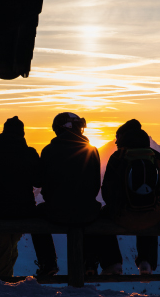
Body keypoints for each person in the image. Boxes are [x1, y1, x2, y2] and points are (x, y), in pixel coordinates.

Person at [32, 112, 103, 276]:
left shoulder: (49, 151)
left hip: (55, 212)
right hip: (87, 211)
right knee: (96, 213)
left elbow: (40, 181)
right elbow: (95, 185)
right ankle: (90, 262)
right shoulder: (92, 150)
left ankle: (48, 263)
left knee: (36, 214)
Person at [100, 119, 160, 275]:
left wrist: (118, 205)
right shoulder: (158, 158)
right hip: (152, 216)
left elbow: (107, 193)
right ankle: (147, 262)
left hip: (123, 215)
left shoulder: (118, 157)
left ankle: (113, 263)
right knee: (150, 214)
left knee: (100, 217)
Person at [0, 116, 40, 279]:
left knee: (4, 248)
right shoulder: (30, 153)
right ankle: (2, 281)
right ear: (22, 133)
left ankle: (0, 281)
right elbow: (38, 181)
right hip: (24, 208)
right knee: (9, 247)